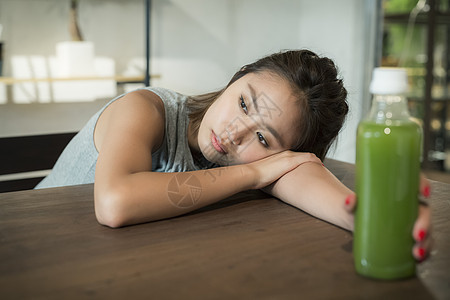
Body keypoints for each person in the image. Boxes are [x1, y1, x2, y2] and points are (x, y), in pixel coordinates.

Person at [36, 49, 431, 261]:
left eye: (263, 137)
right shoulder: (145, 109)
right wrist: (256, 173)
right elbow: (114, 204)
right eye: (244, 103)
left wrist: (374, 218)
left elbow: (300, 174)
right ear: (235, 79)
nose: (234, 133)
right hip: (36, 251)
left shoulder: (264, 159)